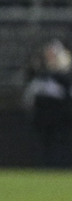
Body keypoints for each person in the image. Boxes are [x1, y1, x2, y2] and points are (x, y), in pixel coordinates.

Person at [23, 39, 72, 167]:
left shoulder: (65, 77)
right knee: (45, 144)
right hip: (44, 119)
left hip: (62, 119)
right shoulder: (40, 75)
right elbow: (31, 97)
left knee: (61, 144)